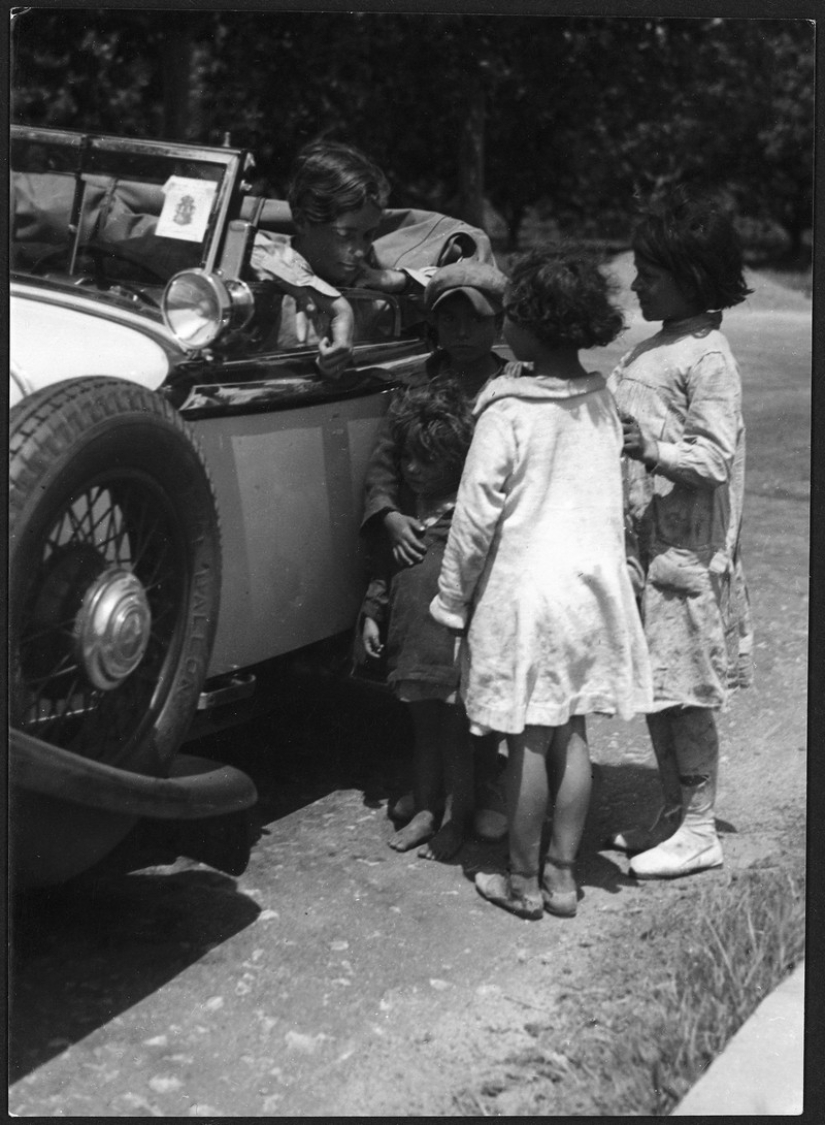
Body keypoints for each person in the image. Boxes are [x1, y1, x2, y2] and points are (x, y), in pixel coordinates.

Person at [430, 246, 653, 919]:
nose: (505, 326)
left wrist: (450, 601)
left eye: (513, 315)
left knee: (526, 739)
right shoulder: (602, 405)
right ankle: (563, 875)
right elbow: (619, 500)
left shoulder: (506, 411)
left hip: (525, 596)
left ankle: (521, 878)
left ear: (532, 326)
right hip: (590, 591)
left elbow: (473, 520)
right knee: (573, 734)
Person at [607, 189, 754, 879]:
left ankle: (700, 828)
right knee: (658, 690)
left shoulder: (707, 355)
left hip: (686, 556)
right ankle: (674, 810)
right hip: (648, 551)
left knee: (686, 695)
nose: (636, 283)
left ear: (692, 277)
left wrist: (650, 449)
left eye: (650, 273)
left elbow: (714, 456)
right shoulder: (655, 346)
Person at [360, 260, 510, 840]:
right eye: (448, 319)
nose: (461, 332)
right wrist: (390, 515)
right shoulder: (415, 387)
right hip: (422, 548)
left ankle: (482, 786)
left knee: (482, 680)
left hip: (490, 554)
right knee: (425, 677)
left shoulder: (510, 387)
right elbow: (384, 465)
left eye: (474, 320)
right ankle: (431, 793)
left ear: (497, 323)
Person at [359, 382, 477, 861]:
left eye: (426, 461)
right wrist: (371, 615)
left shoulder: (469, 522)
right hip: (412, 650)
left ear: (455, 464)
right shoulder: (408, 520)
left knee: (458, 741)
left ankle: (459, 819)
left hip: (451, 654)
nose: (411, 469)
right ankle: (428, 811)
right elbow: (388, 573)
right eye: (407, 459)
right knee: (424, 736)